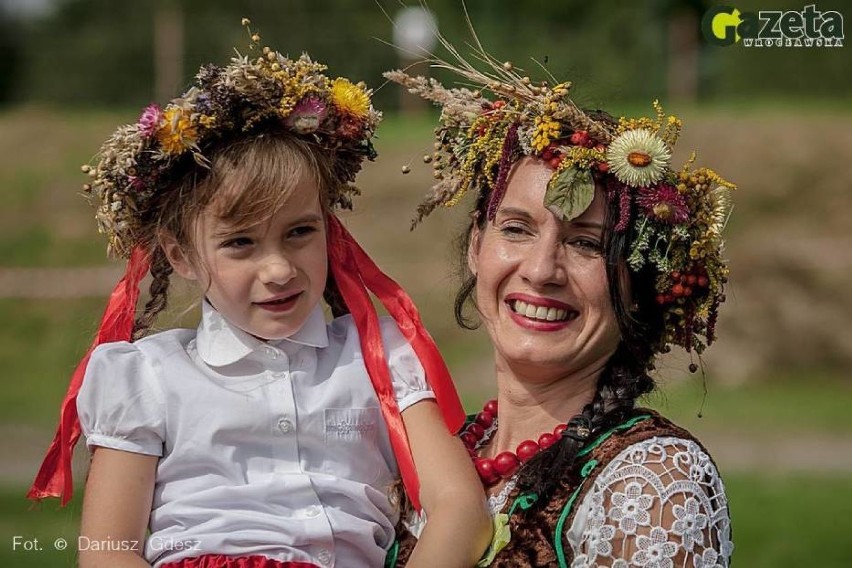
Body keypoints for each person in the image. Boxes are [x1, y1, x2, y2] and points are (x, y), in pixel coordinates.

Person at [27, 20, 491, 568]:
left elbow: (460, 505)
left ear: (328, 227)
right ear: (180, 255)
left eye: (299, 232)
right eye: (241, 243)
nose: (277, 269)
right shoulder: (147, 376)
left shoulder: (378, 356)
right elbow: (108, 553)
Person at [384, 39, 735, 567]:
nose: (542, 269)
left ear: (637, 288)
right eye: (517, 229)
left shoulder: (651, 485)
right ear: (478, 246)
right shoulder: (433, 460)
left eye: (586, 243)